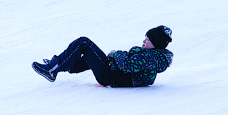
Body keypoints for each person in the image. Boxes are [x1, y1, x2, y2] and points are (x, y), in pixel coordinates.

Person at [31, 26, 174, 88]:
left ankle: (52, 69)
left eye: (148, 39)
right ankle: (57, 65)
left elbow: (127, 65)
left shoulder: (150, 58)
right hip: (113, 73)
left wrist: (117, 53)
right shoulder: (152, 57)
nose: (144, 41)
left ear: (156, 43)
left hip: (111, 77)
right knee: (87, 54)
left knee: (84, 43)